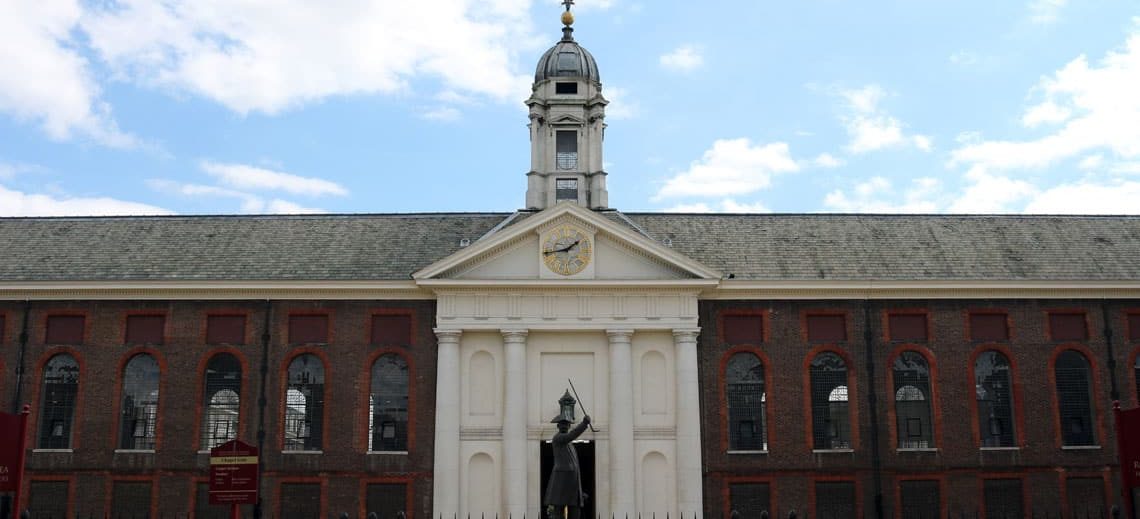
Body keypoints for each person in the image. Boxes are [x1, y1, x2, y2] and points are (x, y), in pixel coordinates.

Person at [545, 391, 591, 519]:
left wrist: (580, 491)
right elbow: (572, 435)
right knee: (558, 510)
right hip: (561, 479)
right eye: (562, 424)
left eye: (567, 424)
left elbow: (576, 468)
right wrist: (584, 424)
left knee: (575, 512)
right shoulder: (558, 438)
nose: (565, 426)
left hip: (572, 481)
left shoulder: (571, 446)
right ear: (558, 426)